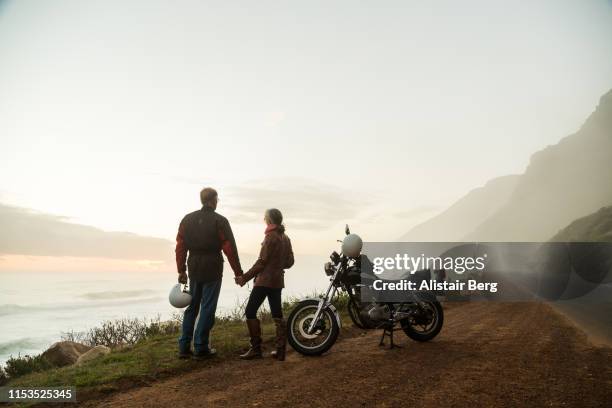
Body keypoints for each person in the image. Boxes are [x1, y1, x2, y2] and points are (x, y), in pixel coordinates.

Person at [175, 187, 243, 359]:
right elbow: (229, 248)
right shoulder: (219, 221)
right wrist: (238, 272)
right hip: (212, 266)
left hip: (194, 266)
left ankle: (184, 347)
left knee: (193, 306)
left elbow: (180, 247)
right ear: (213, 200)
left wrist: (181, 270)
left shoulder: (187, 220)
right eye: (217, 199)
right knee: (207, 307)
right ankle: (201, 346)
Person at [235, 208, 294, 361]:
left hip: (264, 282)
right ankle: (281, 351)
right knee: (277, 315)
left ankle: (256, 349)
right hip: (277, 281)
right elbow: (290, 262)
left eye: (265, 217)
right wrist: (278, 265)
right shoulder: (285, 238)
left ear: (269, 220)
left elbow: (261, 262)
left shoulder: (270, 237)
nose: (264, 219)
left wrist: (244, 278)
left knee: (250, 312)